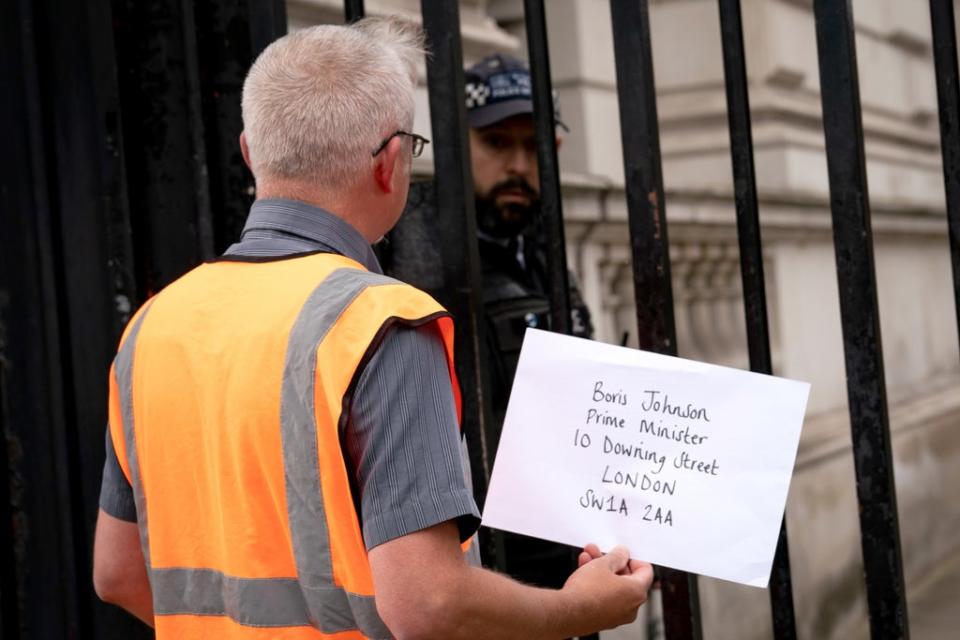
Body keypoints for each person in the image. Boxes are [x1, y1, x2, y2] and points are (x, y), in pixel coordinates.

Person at [92, 17, 653, 639]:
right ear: (391, 164)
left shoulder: (151, 325)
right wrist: (581, 609)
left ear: (250, 152)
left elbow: (117, 573)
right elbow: (428, 604)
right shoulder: (383, 325)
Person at [465, 53, 595, 590]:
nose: (519, 164)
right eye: (497, 144)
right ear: (458, 146)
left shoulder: (545, 250)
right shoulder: (421, 259)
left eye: (533, 146)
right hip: (486, 575)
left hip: (566, 567)